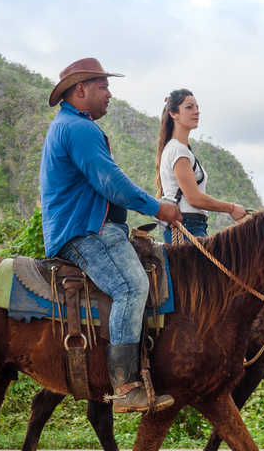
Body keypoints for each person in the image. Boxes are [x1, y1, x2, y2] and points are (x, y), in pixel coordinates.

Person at [40, 58, 182, 413]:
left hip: (86, 225)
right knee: (132, 287)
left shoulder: (72, 125)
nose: (109, 94)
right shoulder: (80, 130)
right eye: (103, 86)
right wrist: (157, 207)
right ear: (81, 90)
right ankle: (125, 386)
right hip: (85, 230)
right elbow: (111, 183)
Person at [155, 89, 247, 243]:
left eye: (197, 107)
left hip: (191, 226)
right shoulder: (178, 151)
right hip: (186, 227)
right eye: (189, 107)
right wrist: (231, 208)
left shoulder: (180, 149)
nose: (196, 112)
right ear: (173, 113)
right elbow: (194, 198)